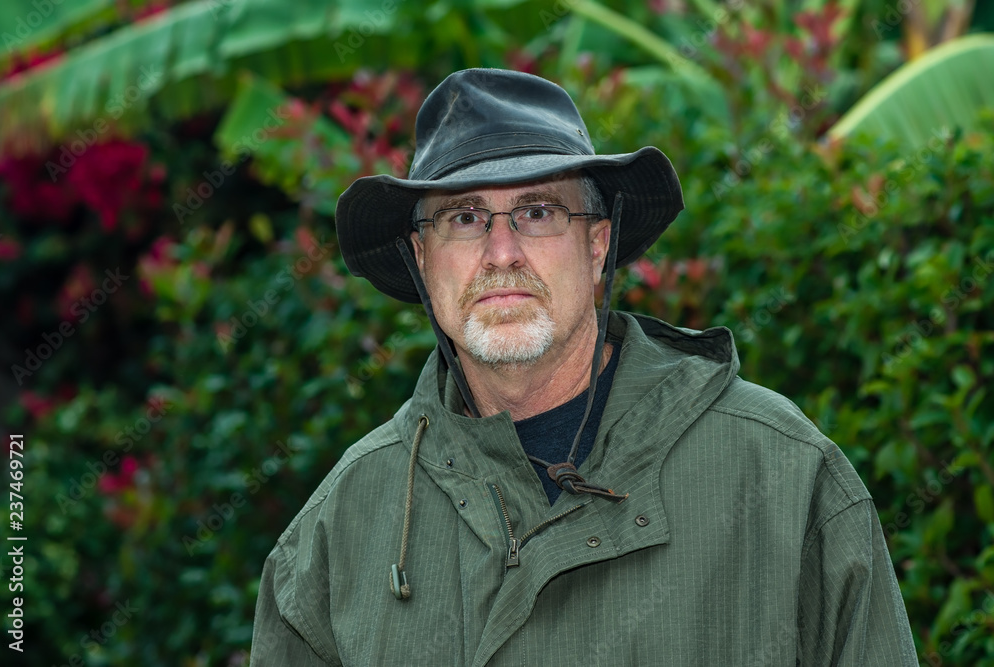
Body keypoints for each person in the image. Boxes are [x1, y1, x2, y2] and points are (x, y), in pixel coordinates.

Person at [250, 68, 916, 666]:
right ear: (422, 258)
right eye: (464, 216)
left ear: (599, 245)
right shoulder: (337, 534)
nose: (501, 251)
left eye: (538, 211)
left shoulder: (782, 475)